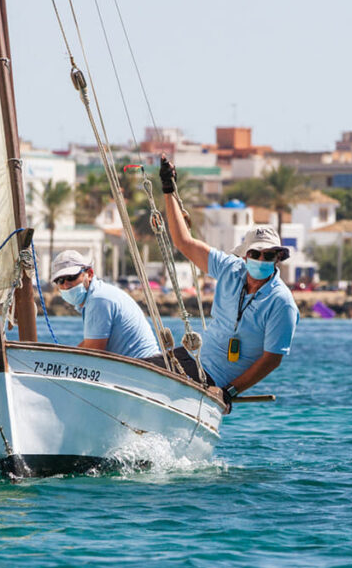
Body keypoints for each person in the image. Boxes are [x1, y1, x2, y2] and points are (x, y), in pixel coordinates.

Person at [152, 156, 300, 409]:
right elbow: (184, 243)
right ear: (245, 255)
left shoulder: (282, 303)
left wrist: (228, 392)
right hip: (191, 358)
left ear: (278, 258)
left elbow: (272, 358)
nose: (261, 259)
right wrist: (168, 188)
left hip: (215, 380)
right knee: (131, 370)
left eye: (269, 255)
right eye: (255, 253)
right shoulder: (231, 269)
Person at [51, 250, 162, 359]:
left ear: (89, 274)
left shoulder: (98, 299)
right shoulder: (98, 294)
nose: (66, 284)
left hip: (144, 367)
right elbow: (90, 343)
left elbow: (93, 352)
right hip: (143, 366)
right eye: (59, 280)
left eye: (71, 277)